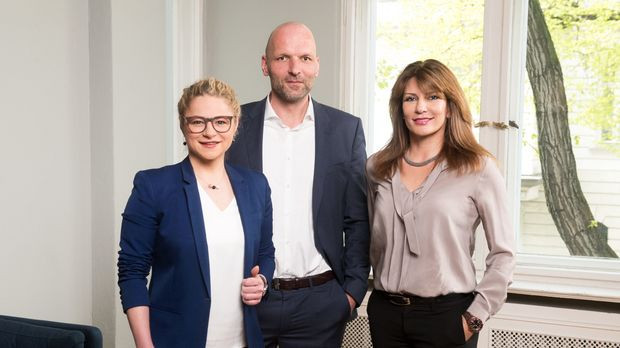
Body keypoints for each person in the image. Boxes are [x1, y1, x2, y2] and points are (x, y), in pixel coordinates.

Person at [226, 22, 370, 347]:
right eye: (283, 58)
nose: (295, 69)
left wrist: (351, 293)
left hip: (320, 303)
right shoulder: (233, 126)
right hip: (247, 298)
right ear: (265, 65)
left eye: (305, 58)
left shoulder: (346, 131)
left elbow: (358, 219)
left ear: (317, 64)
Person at [366, 59, 515, 347]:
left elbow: (504, 254)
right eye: (411, 99)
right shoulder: (377, 168)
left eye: (433, 97)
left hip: (447, 317)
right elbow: (371, 243)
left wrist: (475, 317)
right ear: (400, 109)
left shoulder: (478, 168)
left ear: (450, 107)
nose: (421, 107)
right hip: (385, 313)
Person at [117, 77, 275, 348]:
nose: (210, 132)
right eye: (198, 121)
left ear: (235, 124)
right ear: (183, 125)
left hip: (244, 341)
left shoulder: (256, 186)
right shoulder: (153, 186)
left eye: (221, 121)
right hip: (175, 340)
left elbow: (265, 253)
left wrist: (262, 281)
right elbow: (131, 272)